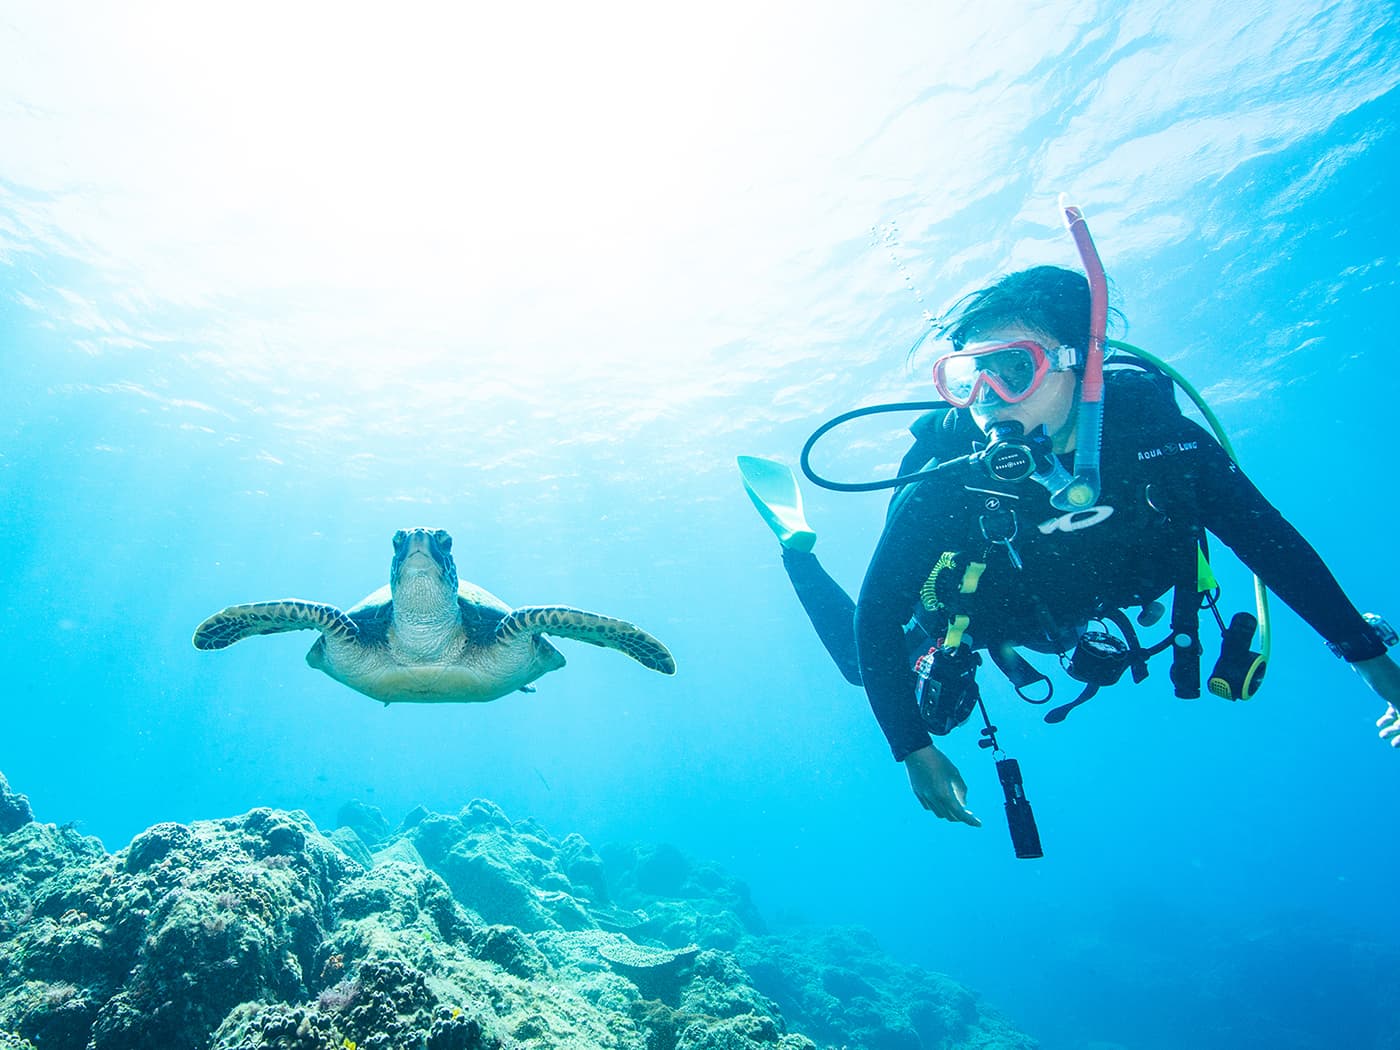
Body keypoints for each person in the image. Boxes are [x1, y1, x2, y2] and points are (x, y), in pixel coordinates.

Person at [744, 260, 1400, 830]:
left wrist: (1374, 663)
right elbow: (877, 613)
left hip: (1093, 598)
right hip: (986, 610)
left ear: (1080, 363)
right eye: (966, 377)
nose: (986, 399)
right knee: (869, 665)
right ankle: (797, 548)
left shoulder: (1162, 445)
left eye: (1011, 370)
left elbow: (1269, 543)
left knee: (1068, 641)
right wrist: (912, 748)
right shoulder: (950, 480)